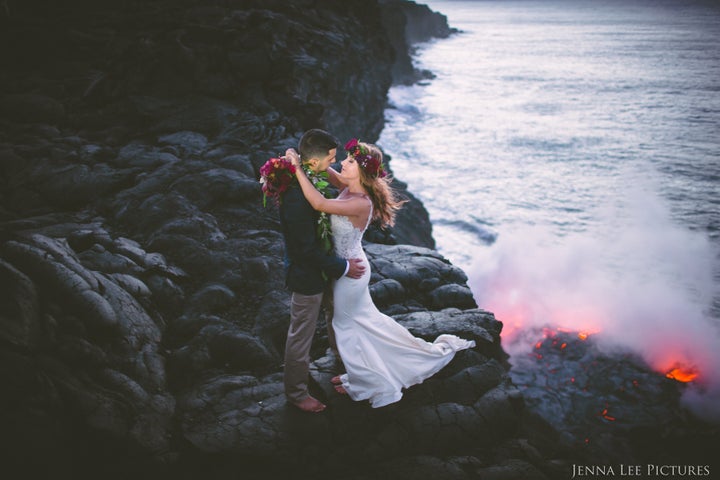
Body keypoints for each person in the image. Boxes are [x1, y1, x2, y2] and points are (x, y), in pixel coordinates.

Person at [286, 138, 476, 408]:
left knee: (346, 325)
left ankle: (369, 380)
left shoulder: (361, 203)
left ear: (362, 172)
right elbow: (333, 174)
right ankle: (362, 372)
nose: (342, 163)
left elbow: (317, 203)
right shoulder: (350, 186)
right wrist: (309, 158)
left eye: (350, 161)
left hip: (351, 273)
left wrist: (295, 169)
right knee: (362, 322)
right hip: (346, 268)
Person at [279, 129, 366, 413]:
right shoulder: (295, 196)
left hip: (327, 268)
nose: (336, 161)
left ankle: (340, 359)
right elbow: (304, 250)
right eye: (331, 157)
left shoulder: (312, 176)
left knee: (335, 314)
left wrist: (296, 159)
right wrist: (342, 266)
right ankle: (296, 393)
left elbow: (323, 191)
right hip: (308, 275)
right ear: (315, 162)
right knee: (300, 335)